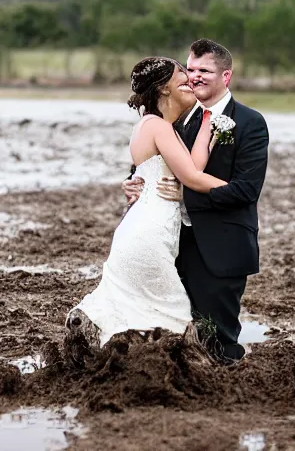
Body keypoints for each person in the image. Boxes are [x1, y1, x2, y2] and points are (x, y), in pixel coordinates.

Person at [123, 39, 269, 363]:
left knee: (218, 338)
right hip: (171, 245)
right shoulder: (173, 119)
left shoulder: (250, 123)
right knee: (174, 333)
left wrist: (188, 190)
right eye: (190, 69)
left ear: (226, 77)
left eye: (204, 70)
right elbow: (149, 166)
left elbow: (246, 191)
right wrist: (134, 184)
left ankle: (227, 405)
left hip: (220, 247)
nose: (194, 76)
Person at [65, 57, 226, 349]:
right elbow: (191, 176)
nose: (191, 82)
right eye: (183, 79)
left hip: (144, 230)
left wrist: (208, 129)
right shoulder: (157, 127)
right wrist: (236, 191)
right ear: (164, 89)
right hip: (149, 234)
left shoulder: (156, 127)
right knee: (172, 317)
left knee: (148, 317)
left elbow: (191, 167)